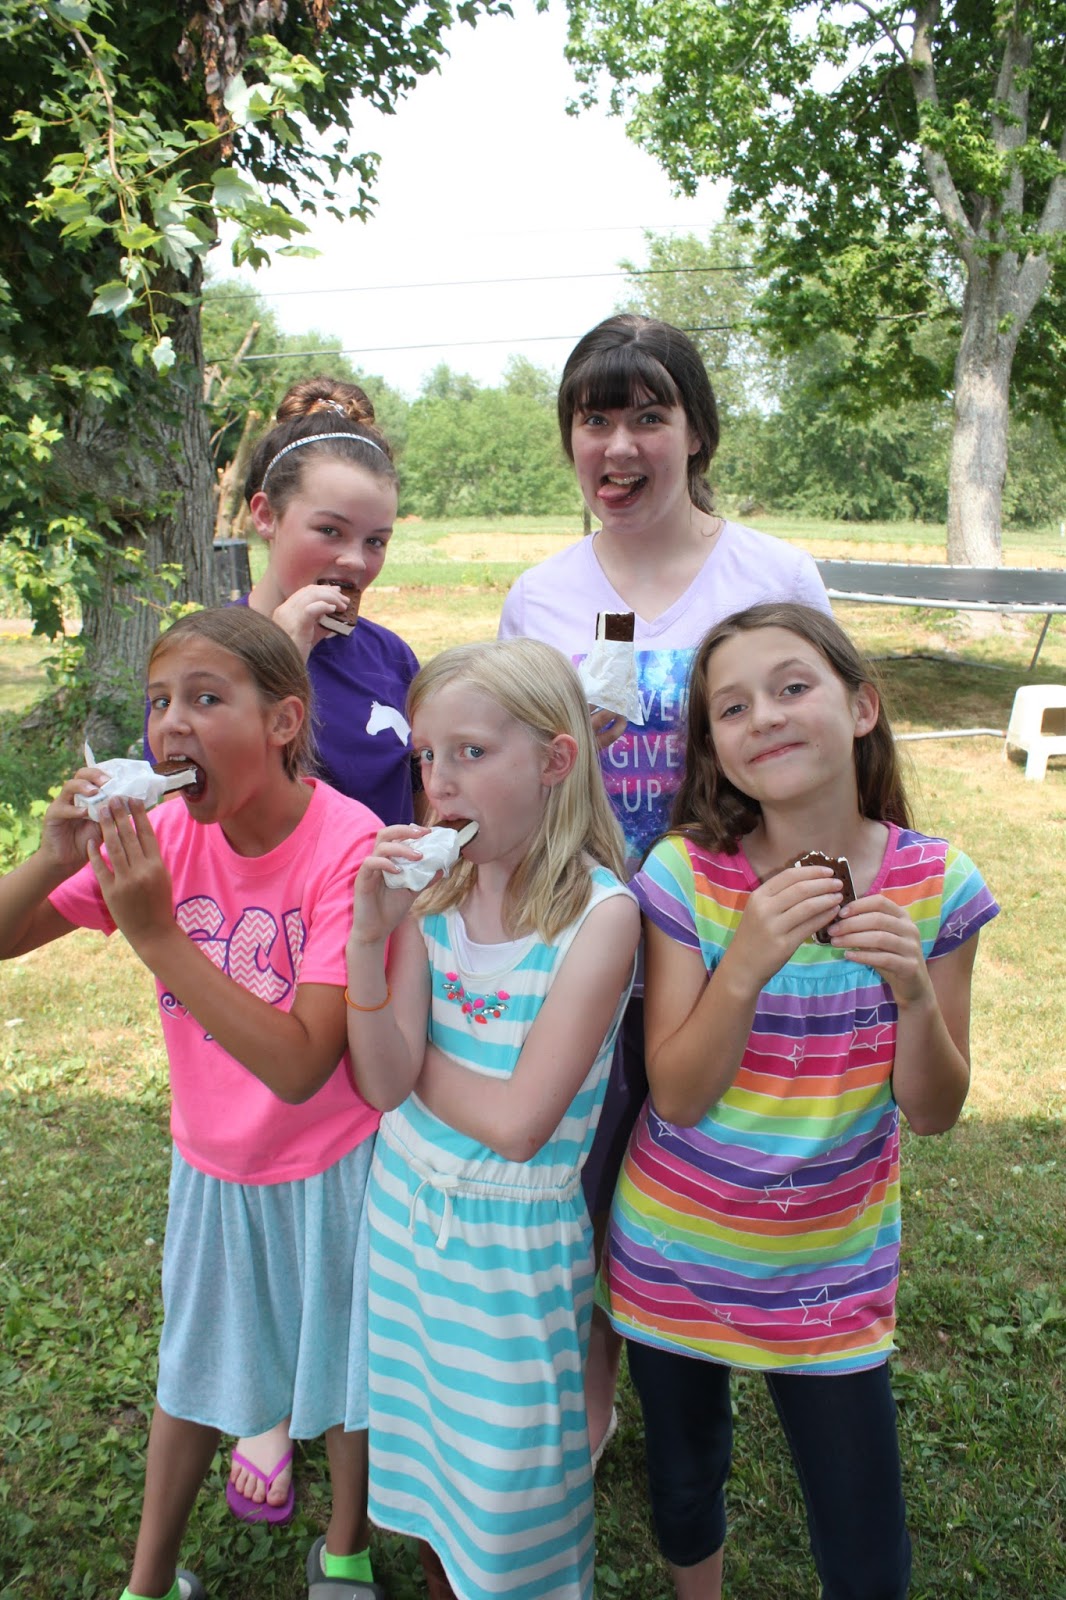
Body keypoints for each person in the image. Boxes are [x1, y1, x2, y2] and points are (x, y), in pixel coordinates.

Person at [601, 601, 999, 1600]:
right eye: (731, 706)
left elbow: (935, 1108)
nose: (764, 717)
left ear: (859, 705)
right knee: (686, 1484)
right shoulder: (685, 877)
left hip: (832, 1269)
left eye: (791, 686)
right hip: (678, 1253)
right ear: (714, 750)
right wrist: (743, 964)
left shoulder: (936, 883)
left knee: (865, 1546)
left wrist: (911, 990)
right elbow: (679, 1096)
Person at [497, 313, 833, 1455]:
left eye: (649, 414)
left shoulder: (772, 572)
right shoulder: (538, 595)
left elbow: (821, 748)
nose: (620, 445)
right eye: (596, 418)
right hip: (585, 946)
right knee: (584, 1181)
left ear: (696, 431)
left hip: (729, 947)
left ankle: (722, 1373)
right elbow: (513, 784)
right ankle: (593, 1393)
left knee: (714, 1174)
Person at [0, 608, 386, 1600]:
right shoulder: (167, 830)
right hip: (212, 1161)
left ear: (283, 721)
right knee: (190, 1377)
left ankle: (344, 1546)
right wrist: (52, 855)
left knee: (343, 1373)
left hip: (334, 1161)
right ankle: (148, 1579)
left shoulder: (349, 844)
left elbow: (304, 1065)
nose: (172, 725)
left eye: (207, 699)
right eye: (160, 702)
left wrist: (160, 937)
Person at [343, 639, 641, 1600]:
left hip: (510, 1256)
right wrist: (366, 939)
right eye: (428, 758)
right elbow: (382, 1084)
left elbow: (518, 1124)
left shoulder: (602, 919)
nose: (440, 784)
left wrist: (415, 1058)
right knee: (431, 1487)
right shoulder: (434, 896)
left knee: (511, 1505)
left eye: (471, 753)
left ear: (556, 761)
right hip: (404, 1232)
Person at [230, 377, 423, 1519]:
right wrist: (273, 657)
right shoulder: (218, 647)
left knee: (346, 1206)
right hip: (258, 974)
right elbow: (212, 808)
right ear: (264, 515)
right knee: (252, 1192)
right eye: (329, 532)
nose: (353, 560)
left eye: (376, 541)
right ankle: (264, 1399)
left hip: (365, 973)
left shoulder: (391, 655)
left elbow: (414, 797)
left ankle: (353, 1394)